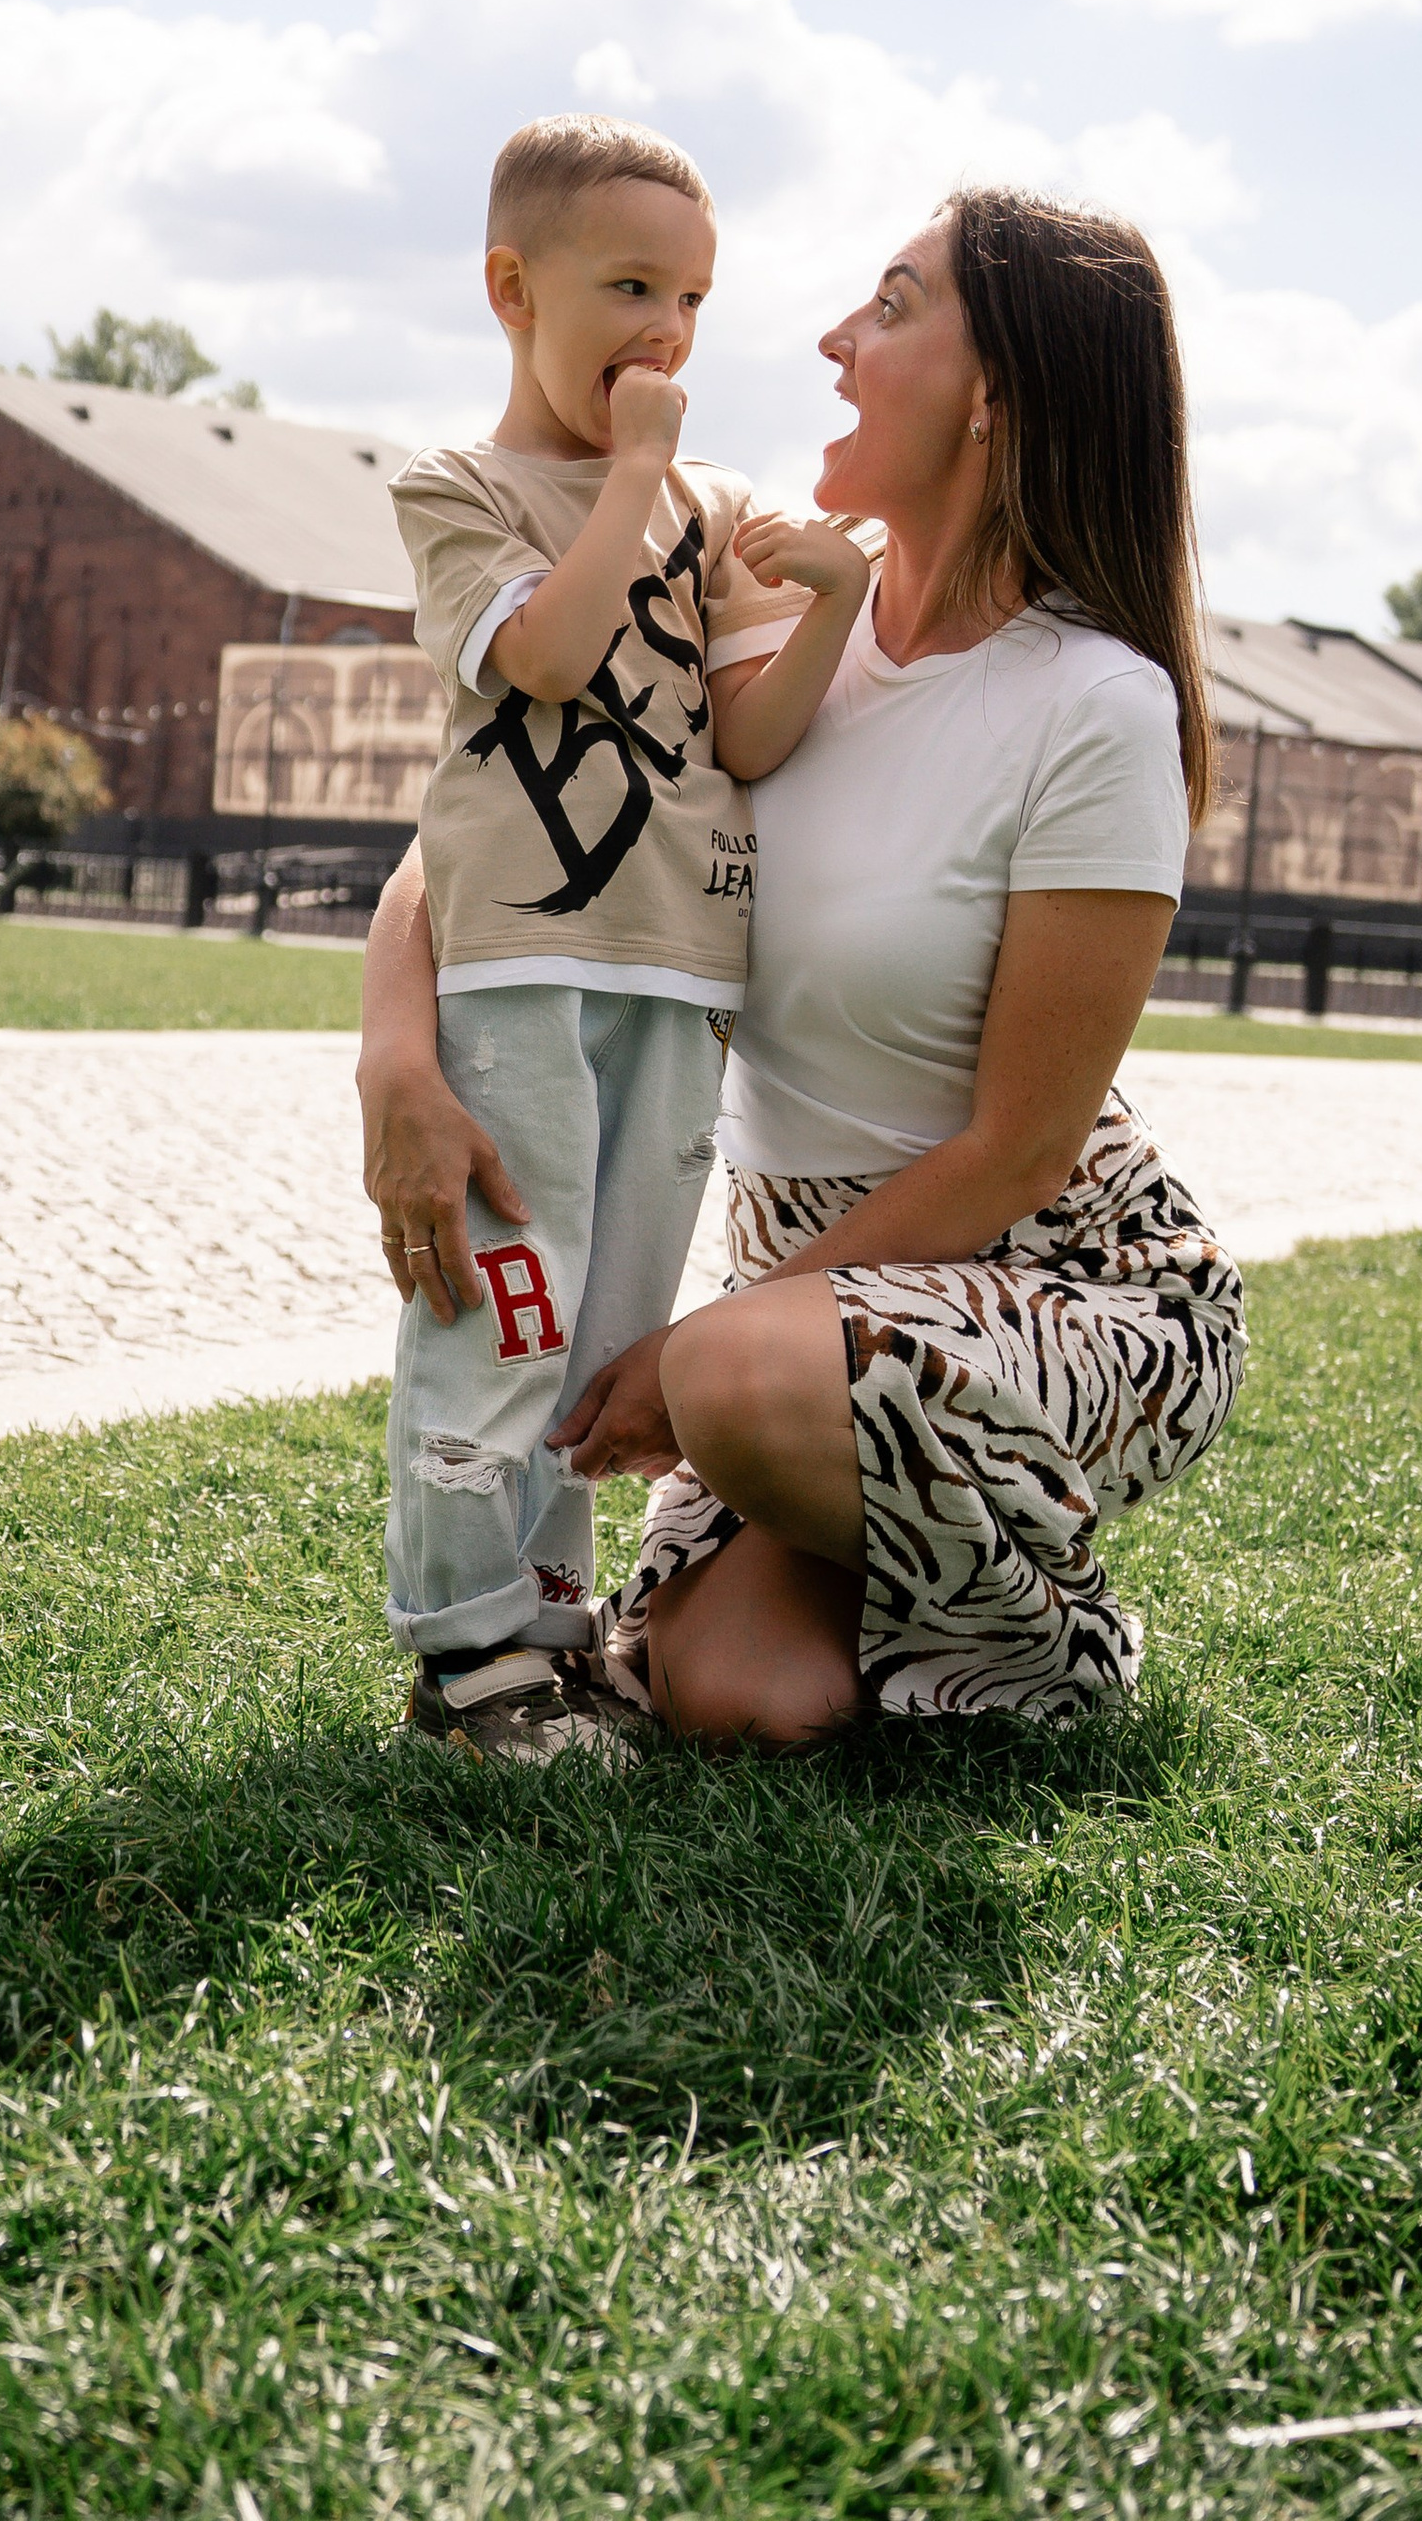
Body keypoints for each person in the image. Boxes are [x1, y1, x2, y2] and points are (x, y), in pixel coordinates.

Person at [361, 181, 1245, 1749]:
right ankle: (852, 1518)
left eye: (893, 308)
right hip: (809, 1300)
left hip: (1059, 1269)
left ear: (997, 395)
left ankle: (1055, 1632)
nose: (831, 340)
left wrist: (698, 1351)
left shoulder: (1095, 707)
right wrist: (397, 1052)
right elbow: (503, 814)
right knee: (741, 1699)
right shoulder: (783, 627)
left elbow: (1017, 1149)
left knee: (757, 1379)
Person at [380, 112, 870, 1758]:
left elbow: (746, 738)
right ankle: (462, 1652)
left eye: (696, 300)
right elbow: (549, 656)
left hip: (681, 974)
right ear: (515, 289)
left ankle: (548, 1621)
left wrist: (832, 612)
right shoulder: (459, 491)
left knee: (605, 1336)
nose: (668, 332)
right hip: (525, 962)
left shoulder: (720, 506)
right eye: (631, 286)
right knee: (508, 1303)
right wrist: (641, 474)